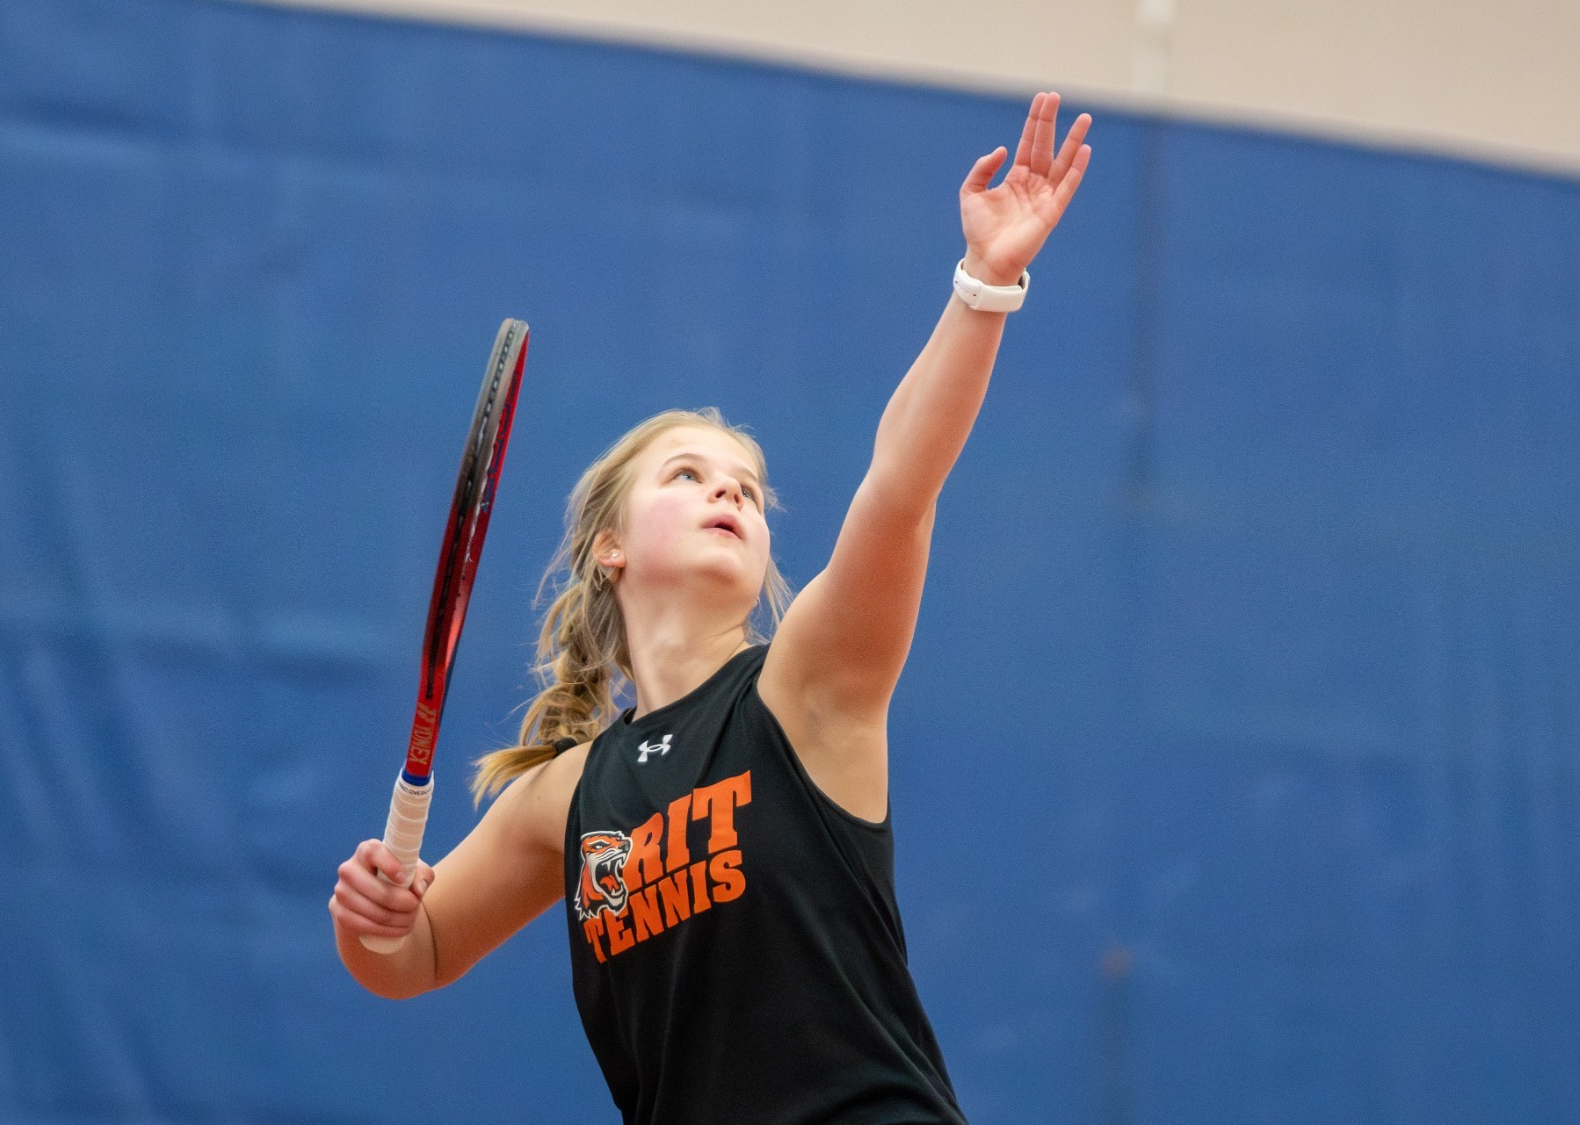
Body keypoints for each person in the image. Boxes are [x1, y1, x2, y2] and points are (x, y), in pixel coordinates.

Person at [329, 91, 1092, 1124]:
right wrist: (368, 918)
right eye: (686, 474)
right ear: (608, 547)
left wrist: (983, 284)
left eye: (748, 488)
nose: (727, 492)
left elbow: (900, 485)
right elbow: (412, 956)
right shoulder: (567, 796)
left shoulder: (807, 683)